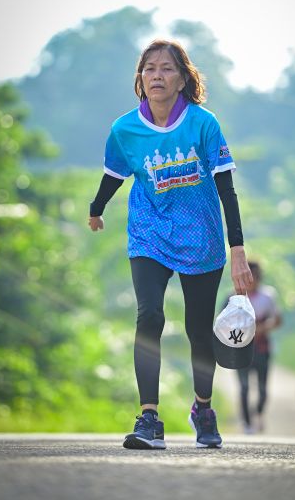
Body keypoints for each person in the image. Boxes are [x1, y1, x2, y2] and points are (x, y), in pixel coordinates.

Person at [89, 39, 252, 450]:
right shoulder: (124, 129)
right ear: (140, 79)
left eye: (166, 68)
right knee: (149, 316)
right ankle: (149, 418)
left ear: (182, 80)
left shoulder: (203, 124)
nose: (157, 75)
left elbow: (226, 188)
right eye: (149, 68)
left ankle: (203, 409)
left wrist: (237, 250)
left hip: (202, 236)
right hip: (150, 232)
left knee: (199, 329)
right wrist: (96, 208)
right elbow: (114, 174)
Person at [235, 261, 282, 434]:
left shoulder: (268, 296)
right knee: (244, 387)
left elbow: (278, 319)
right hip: (241, 349)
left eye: (256, 276)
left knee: (263, 389)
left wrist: (263, 327)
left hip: (262, 348)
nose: (253, 280)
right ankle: (247, 423)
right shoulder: (235, 296)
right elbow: (222, 322)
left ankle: (259, 413)